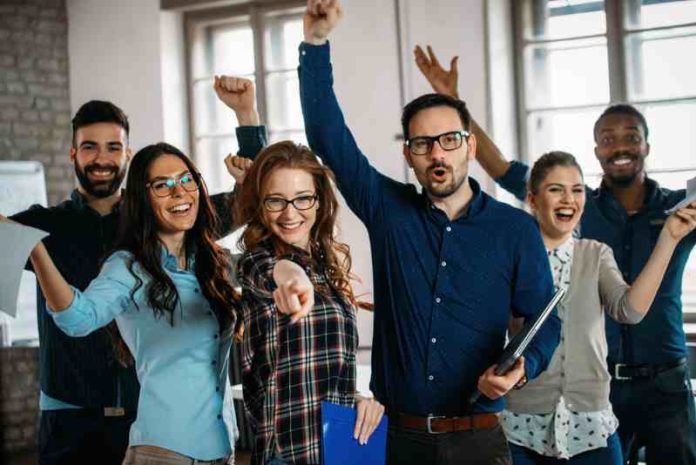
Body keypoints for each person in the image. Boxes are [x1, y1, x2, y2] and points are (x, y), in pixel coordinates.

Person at [299, 2, 561, 463]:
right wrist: (316, 44)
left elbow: (545, 320)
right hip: (397, 438)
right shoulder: (388, 211)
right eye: (422, 144)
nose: (437, 154)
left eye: (449, 141)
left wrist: (520, 369)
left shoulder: (515, 229)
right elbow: (329, 139)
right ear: (410, 155)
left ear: (470, 146)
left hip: (478, 438)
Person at [415, 45, 696, 465]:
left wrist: (671, 236)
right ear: (596, 150)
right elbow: (503, 168)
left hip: (662, 382)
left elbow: (629, 308)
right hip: (577, 395)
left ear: (647, 146)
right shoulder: (562, 221)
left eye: (631, 137)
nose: (620, 146)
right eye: (607, 139)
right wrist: (456, 106)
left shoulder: (677, 210)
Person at [8, 76, 264, 465]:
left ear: (127, 154)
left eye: (113, 147)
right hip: (70, 416)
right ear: (73, 153)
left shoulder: (162, 220)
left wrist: (247, 118)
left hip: (144, 413)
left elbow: (252, 197)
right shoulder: (45, 226)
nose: (101, 158)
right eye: (90, 147)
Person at [499, 151, 696, 464]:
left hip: (590, 425)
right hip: (522, 427)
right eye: (555, 189)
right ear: (533, 199)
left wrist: (669, 239)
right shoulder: (509, 255)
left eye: (577, 189)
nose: (569, 199)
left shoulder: (596, 254)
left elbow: (628, 311)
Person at [234, 141, 385, 465]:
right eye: (276, 200)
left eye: (303, 198)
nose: (290, 213)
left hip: (341, 450)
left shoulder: (326, 272)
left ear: (320, 202)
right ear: (260, 205)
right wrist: (292, 279)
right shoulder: (256, 263)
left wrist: (357, 401)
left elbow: (322, 373)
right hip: (288, 455)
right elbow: (276, 272)